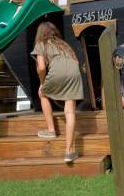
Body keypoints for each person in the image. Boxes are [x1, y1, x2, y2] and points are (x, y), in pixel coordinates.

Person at [31, 22, 84, 163]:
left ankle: (51, 130)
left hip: (58, 73)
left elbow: (41, 68)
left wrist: (42, 84)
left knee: (43, 94)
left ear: (40, 33)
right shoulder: (64, 45)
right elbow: (76, 62)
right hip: (74, 74)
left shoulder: (41, 44)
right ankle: (69, 151)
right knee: (70, 111)